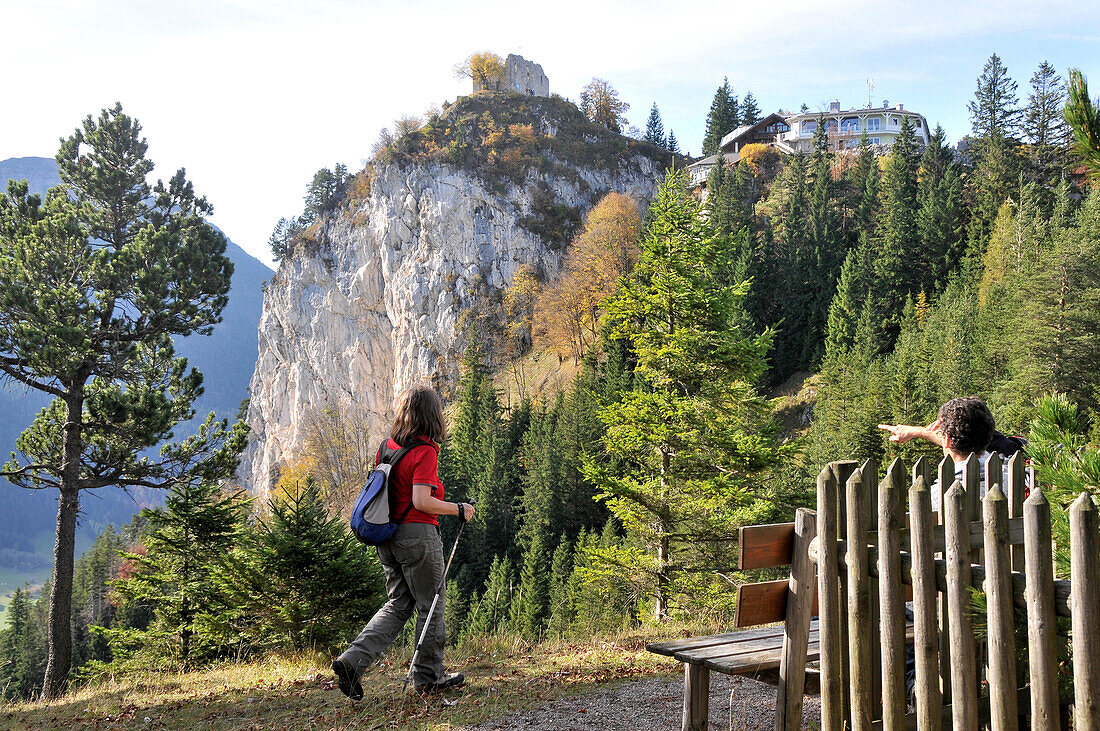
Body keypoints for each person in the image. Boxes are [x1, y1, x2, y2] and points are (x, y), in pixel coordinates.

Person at [332, 384, 475, 699]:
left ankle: (352, 661)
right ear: (432, 416)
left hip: (387, 536)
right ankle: (428, 678)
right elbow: (421, 500)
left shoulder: (387, 446)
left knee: (399, 603)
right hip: (417, 537)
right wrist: (459, 509)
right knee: (432, 604)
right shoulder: (424, 451)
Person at [879, 396, 1022, 510]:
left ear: (946, 439)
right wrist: (922, 432)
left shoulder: (933, 497)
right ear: (989, 435)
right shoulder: (1016, 481)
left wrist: (923, 432)